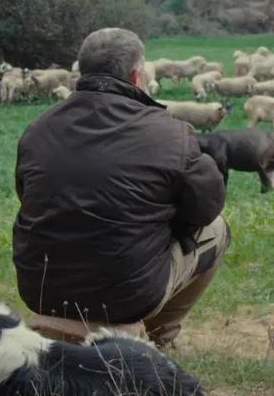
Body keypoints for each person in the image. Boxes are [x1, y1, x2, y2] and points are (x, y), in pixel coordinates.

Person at [12, 27, 228, 347]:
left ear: (81, 70)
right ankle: (160, 338)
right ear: (136, 75)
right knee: (217, 229)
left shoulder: (37, 129)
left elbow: (26, 195)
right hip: (126, 297)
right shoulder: (169, 133)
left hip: (42, 290)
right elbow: (207, 206)